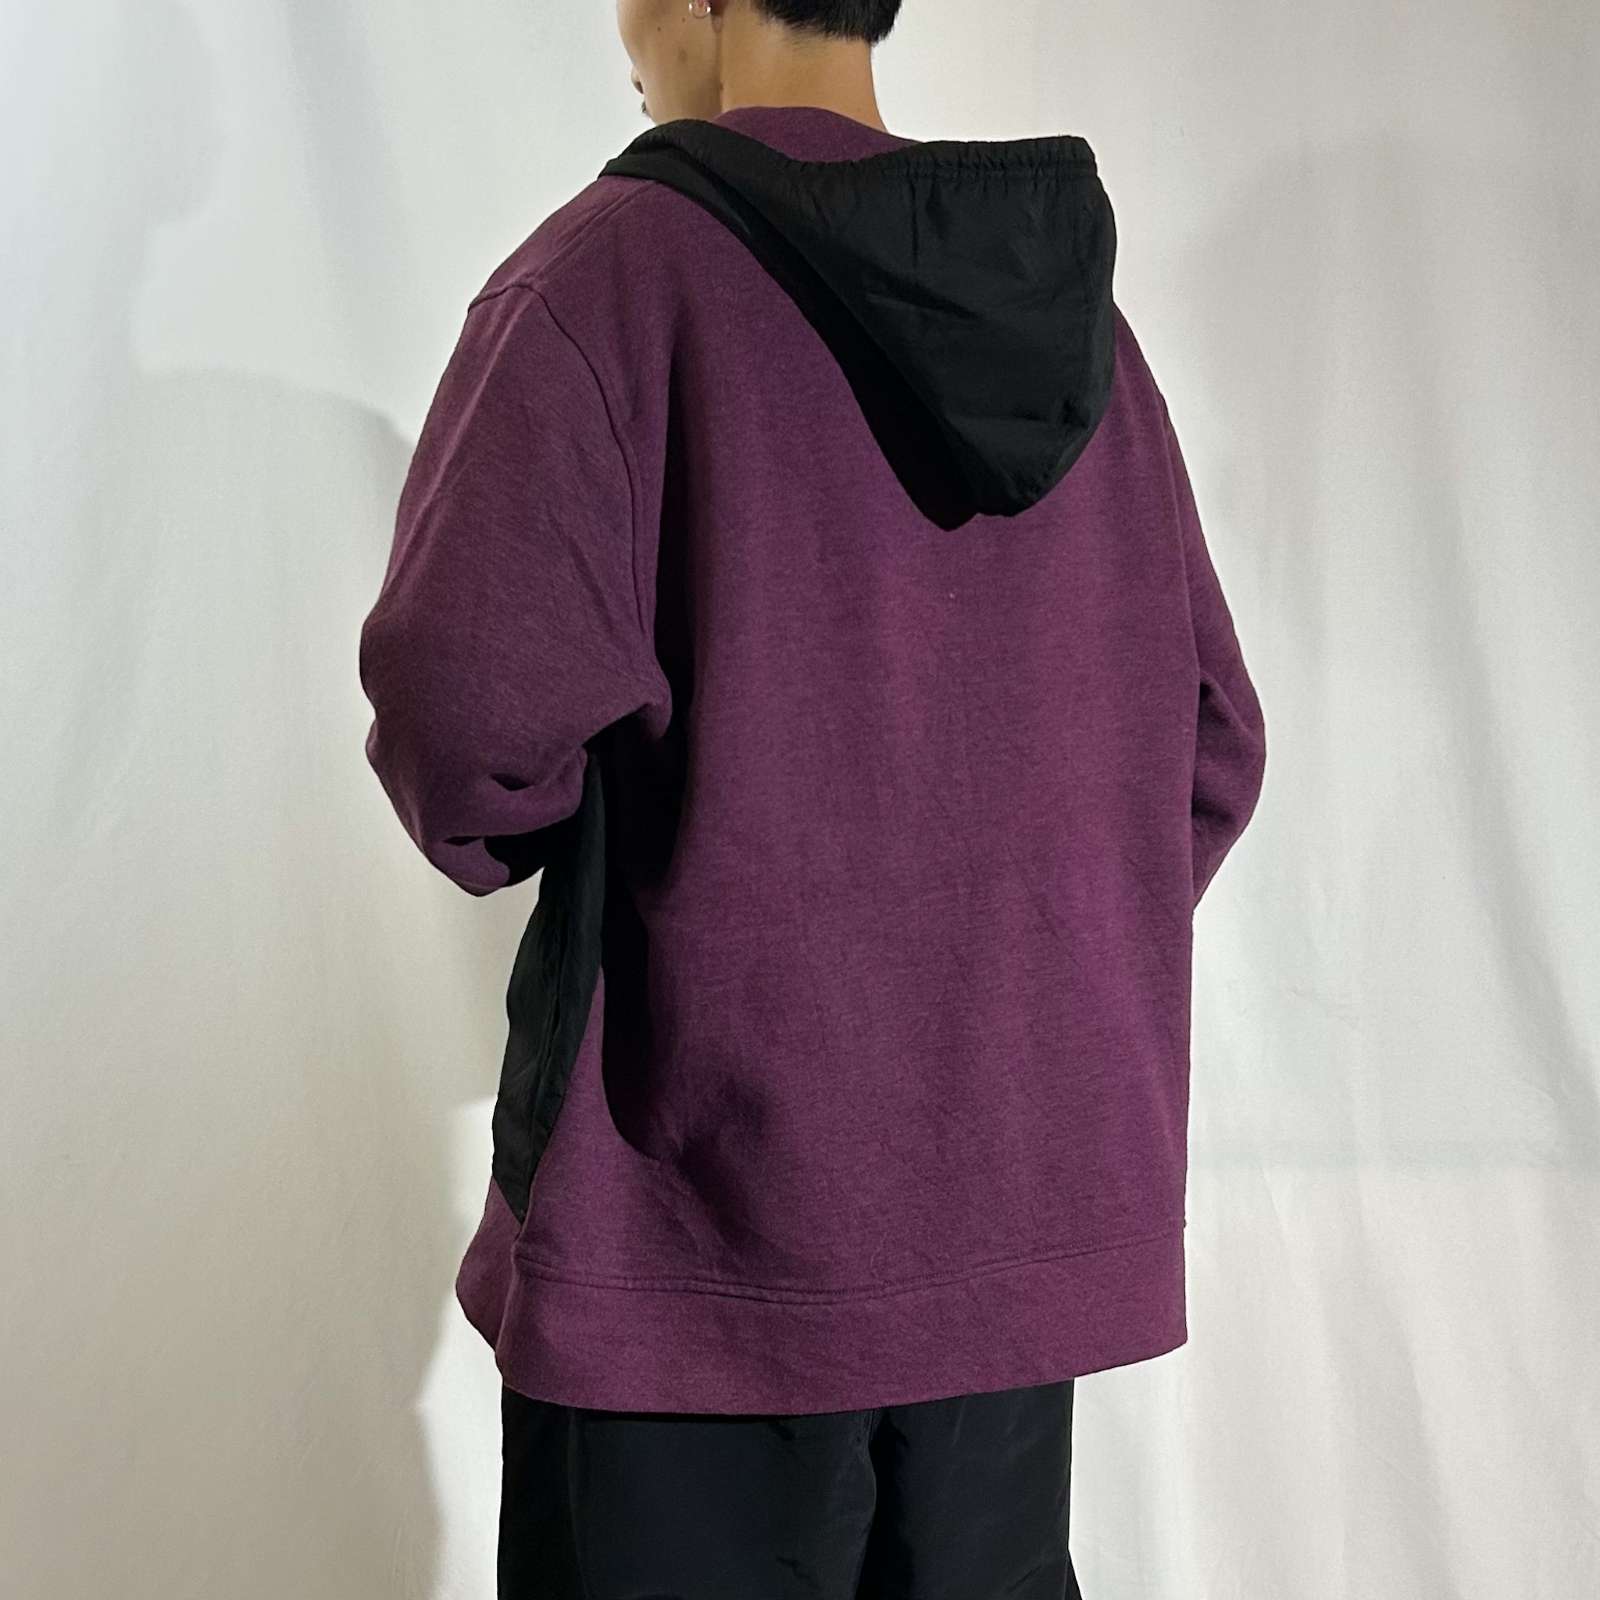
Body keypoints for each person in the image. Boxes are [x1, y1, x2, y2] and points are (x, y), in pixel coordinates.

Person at [356, 0, 1268, 1593]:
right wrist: (994, 987)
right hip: (1001, 1268)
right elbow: (1207, 744)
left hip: (692, 1260)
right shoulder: (1079, 337)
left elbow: (464, 728)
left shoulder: (606, 283)